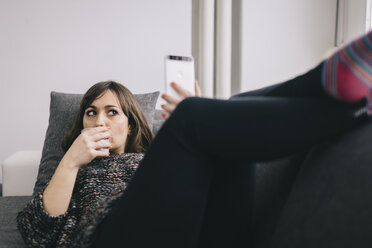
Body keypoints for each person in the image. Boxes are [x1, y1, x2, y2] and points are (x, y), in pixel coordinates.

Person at [18, 30, 372, 248]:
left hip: (210, 236)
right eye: (90, 112)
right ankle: (349, 99)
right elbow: (38, 232)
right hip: (107, 238)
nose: (99, 119)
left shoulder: (156, 157)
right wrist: (71, 162)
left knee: (233, 106)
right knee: (191, 117)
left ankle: (342, 87)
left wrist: (209, 123)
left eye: (112, 112)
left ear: (131, 124)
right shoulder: (76, 172)